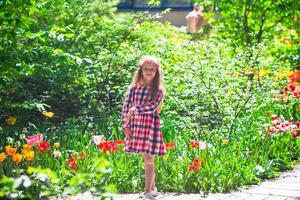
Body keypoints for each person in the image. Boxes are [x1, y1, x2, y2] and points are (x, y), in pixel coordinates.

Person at [121, 55, 165, 200]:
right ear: (141, 71)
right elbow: (126, 107)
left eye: (152, 70)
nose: (149, 72)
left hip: (150, 125)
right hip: (136, 125)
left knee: (148, 157)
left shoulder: (158, 90)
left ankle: (147, 191)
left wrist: (136, 110)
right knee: (145, 157)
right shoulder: (133, 88)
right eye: (146, 69)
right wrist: (125, 125)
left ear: (156, 72)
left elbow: (153, 106)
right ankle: (152, 188)